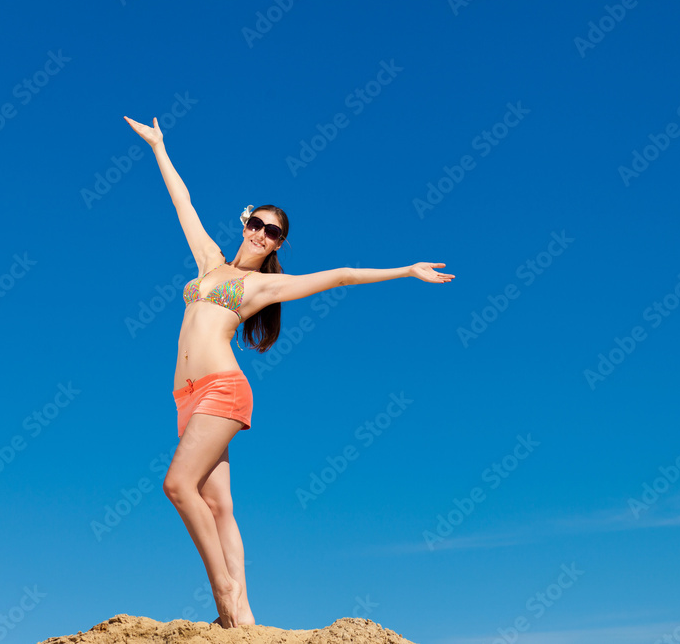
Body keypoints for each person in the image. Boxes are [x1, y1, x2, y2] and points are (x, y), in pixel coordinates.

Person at [123, 115, 455, 628]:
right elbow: (182, 203)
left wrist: (407, 270)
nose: (260, 233)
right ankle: (243, 621)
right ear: (245, 224)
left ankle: (224, 590)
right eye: (255, 223)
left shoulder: (262, 288)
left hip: (221, 390)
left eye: (271, 231)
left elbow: (341, 275)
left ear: (278, 244)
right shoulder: (208, 261)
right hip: (184, 397)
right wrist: (159, 147)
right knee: (218, 506)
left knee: (176, 486)